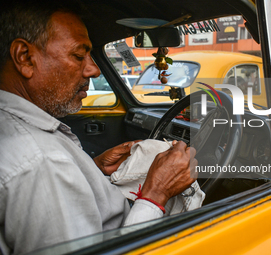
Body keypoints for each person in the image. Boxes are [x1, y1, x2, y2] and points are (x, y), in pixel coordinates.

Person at [0, 1, 197, 254]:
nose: (93, 69)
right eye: (79, 55)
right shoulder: (43, 161)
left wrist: (90, 170)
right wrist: (156, 193)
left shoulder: (16, 129)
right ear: (25, 58)